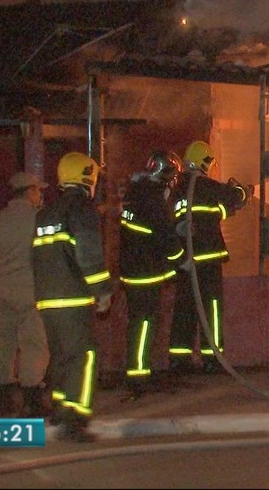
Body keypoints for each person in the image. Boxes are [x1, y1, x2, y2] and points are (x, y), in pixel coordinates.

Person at [32, 152, 113, 443]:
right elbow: (88, 253)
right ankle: (76, 417)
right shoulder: (81, 209)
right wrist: (102, 290)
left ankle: (60, 409)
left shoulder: (46, 213)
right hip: (74, 298)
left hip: (47, 300)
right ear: (86, 177)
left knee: (61, 356)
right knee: (84, 356)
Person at [169, 140, 252, 374]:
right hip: (208, 258)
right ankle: (213, 358)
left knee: (184, 307)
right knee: (211, 307)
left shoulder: (178, 188)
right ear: (205, 162)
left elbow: (210, 214)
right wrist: (244, 191)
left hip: (185, 260)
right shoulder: (204, 185)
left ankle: (179, 358)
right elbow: (233, 196)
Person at [0, 172, 50, 418]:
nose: (40, 196)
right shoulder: (39, 220)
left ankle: (1, 402)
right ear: (29, 192)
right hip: (31, 293)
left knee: (3, 346)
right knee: (34, 347)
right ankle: (32, 402)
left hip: (1, 294)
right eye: (38, 191)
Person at [118, 150, 185, 396]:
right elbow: (164, 235)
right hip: (146, 273)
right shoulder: (153, 199)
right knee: (144, 324)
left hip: (133, 270)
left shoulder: (136, 193)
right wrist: (180, 259)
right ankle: (138, 377)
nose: (173, 181)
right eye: (172, 176)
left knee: (138, 323)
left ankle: (139, 371)